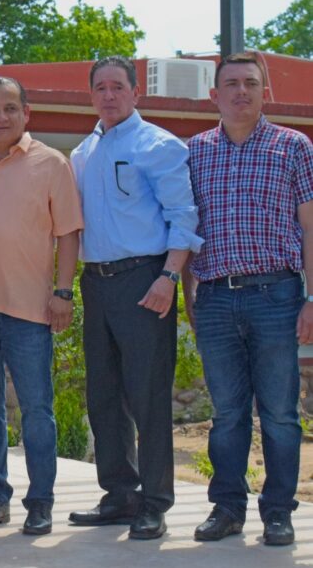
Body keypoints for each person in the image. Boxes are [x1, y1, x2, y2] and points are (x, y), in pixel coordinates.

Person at [66, 56, 202, 540]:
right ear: (91, 94)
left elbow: (183, 217)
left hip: (145, 278)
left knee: (147, 396)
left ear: (135, 92)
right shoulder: (82, 152)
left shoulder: (158, 145)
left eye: (117, 87)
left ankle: (155, 502)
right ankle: (119, 493)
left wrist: (168, 276)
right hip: (96, 283)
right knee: (104, 395)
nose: (108, 95)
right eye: (100, 88)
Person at [184, 53, 313, 546]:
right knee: (227, 412)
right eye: (231, 84)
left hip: (276, 295)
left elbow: (309, 227)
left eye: (251, 84)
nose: (242, 92)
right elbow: (186, 231)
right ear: (214, 95)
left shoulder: (293, 147)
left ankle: (278, 511)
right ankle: (227, 508)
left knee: (280, 412)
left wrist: (311, 298)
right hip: (216, 297)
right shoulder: (194, 151)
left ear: (265, 93)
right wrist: (191, 296)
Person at [0, 77, 82, 536]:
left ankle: (40, 502)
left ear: (27, 113)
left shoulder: (52, 164)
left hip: (29, 308)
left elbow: (68, 232)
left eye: (10, 108)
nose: (1, 117)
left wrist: (63, 292)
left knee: (37, 410)